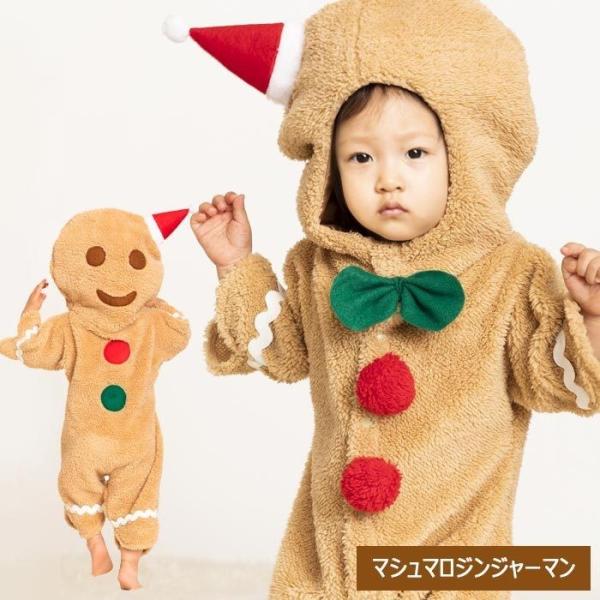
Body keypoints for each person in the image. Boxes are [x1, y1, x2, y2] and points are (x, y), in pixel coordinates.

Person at [186, 0, 600, 597]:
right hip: (330, 548)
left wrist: (591, 315)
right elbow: (282, 353)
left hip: (455, 554)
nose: (388, 178)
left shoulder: (510, 274)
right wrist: (236, 266)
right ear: (328, 169)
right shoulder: (318, 267)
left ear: (466, 153)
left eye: (415, 153)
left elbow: (558, 378)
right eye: (360, 157)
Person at [0, 209, 190, 590]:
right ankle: (130, 566)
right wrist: (153, 301)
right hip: (135, 439)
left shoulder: (70, 326)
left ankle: (95, 545)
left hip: (84, 436)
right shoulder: (152, 325)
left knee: (77, 482)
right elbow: (181, 331)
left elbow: (29, 348)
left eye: (134, 262)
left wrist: (30, 314)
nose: (118, 275)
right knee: (139, 493)